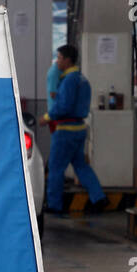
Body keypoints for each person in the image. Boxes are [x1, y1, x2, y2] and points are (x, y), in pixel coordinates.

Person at [42, 44, 107, 215]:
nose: (58, 61)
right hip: (79, 128)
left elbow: (63, 106)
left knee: (56, 168)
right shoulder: (82, 79)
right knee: (80, 165)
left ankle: (54, 204)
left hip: (65, 130)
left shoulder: (68, 81)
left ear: (68, 60)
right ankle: (98, 197)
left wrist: (47, 117)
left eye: (60, 58)